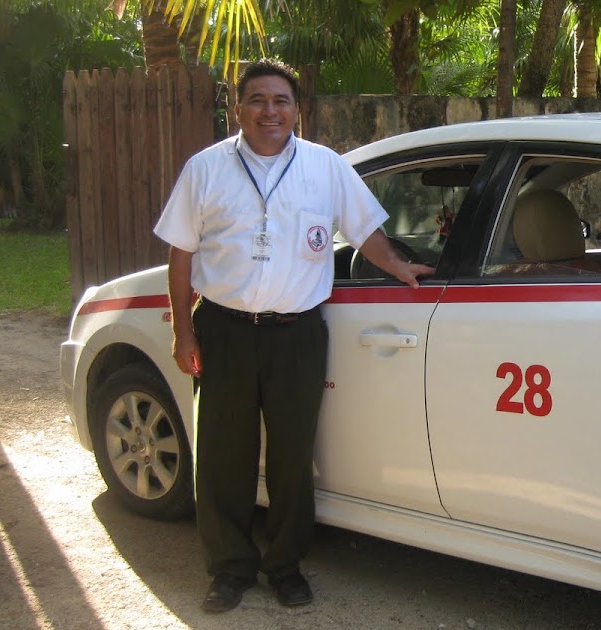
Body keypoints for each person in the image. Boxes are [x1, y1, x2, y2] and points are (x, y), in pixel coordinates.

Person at [153, 58, 432, 613]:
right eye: (257, 100)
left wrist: (400, 267)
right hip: (225, 330)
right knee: (224, 456)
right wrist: (184, 332)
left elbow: (365, 231)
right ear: (238, 109)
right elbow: (180, 252)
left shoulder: (324, 168)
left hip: (297, 332)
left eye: (280, 100)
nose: (269, 111)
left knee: (292, 455)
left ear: (296, 109)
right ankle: (229, 568)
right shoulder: (205, 169)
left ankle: (284, 566)